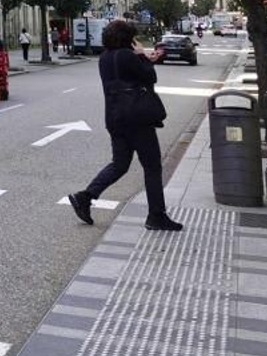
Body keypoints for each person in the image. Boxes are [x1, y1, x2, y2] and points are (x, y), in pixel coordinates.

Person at [68, 19, 183, 232]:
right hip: (136, 118)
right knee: (152, 166)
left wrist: (145, 59)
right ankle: (156, 215)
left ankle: (85, 196)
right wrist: (142, 56)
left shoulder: (104, 58)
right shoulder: (128, 55)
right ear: (127, 38)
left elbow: (129, 76)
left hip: (114, 117)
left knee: (120, 164)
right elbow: (149, 78)